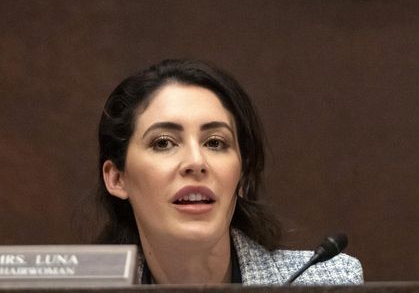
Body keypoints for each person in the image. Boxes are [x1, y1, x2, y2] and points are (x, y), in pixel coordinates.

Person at [97, 58, 363, 285]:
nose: (196, 161)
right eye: (163, 143)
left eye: (215, 142)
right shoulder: (80, 289)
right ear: (117, 177)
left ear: (244, 175)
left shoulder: (326, 282)